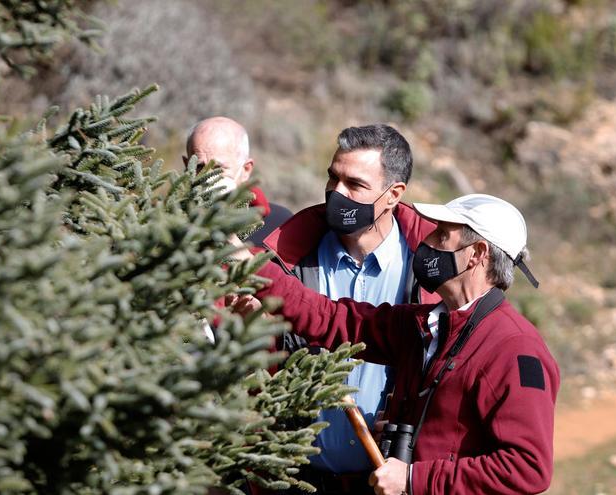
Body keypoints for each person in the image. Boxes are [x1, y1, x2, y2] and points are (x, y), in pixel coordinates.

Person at [231, 193, 558, 495]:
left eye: (442, 235)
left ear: (477, 255)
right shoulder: (422, 325)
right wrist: (250, 267)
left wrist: (414, 478)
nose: (427, 242)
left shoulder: (516, 349)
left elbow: (527, 467)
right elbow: (335, 319)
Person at [256, 124, 439, 494]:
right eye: (332, 178)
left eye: (355, 185)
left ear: (393, 195)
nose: (336, 193)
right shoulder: (287, 261)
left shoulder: (432, 276)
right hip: (293, 481)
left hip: (385, 484)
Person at [184, 117, 292, 247]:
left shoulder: (280, 225)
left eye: (218, 168)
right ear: (187, 165)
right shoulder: (170, 221)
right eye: (199, 167)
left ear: (246, 169)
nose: (208, 176)